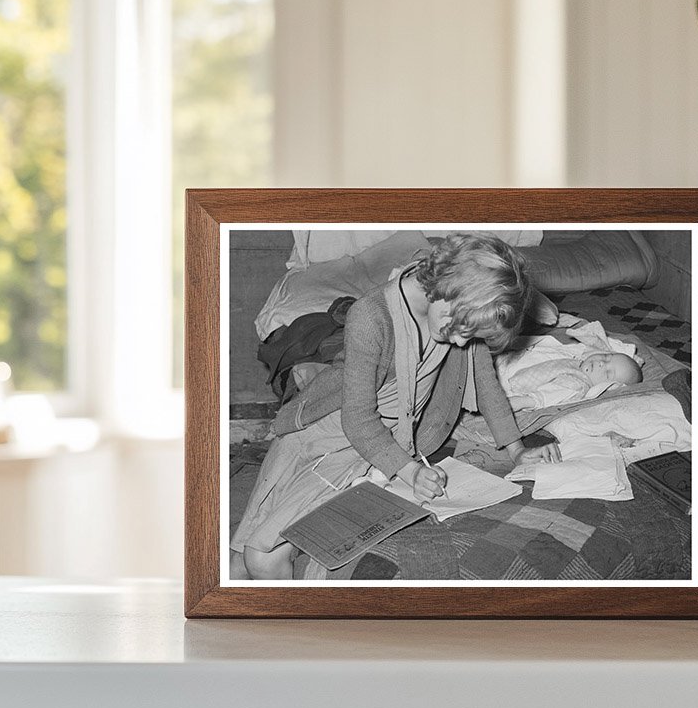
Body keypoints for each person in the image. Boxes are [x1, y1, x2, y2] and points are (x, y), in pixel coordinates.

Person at [230, 232, 561, 580]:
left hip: (372, 445)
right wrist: (411, 471)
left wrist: (516, 451)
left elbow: (486, 384)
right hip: (334, 430)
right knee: (244, 559)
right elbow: (357, 419)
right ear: (447, 288)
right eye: (463, 330)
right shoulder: (371, 316)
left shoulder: (459, 310)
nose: (464, 343)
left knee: (260, 554)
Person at [504, 350, 643, 411]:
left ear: (607, 386)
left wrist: (520, 402)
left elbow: (550, 394)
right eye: (606, 357)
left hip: (509, 388)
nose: (601, 363)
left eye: (607, 372)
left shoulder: (577, 384)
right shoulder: (577, 363)